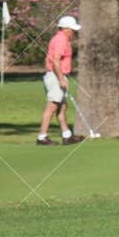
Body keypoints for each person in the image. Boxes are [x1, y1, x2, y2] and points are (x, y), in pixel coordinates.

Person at [37, 14, 83, 145]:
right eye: (73, 30)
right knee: (52, 106)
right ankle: (42, 137)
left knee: (62, 107)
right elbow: (55, 61)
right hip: (56, 76)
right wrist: (61, 79)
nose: (74, 32)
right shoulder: (61, 40)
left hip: (57, 75)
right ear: (66, 28)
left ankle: (67, 135)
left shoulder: (61, 39)